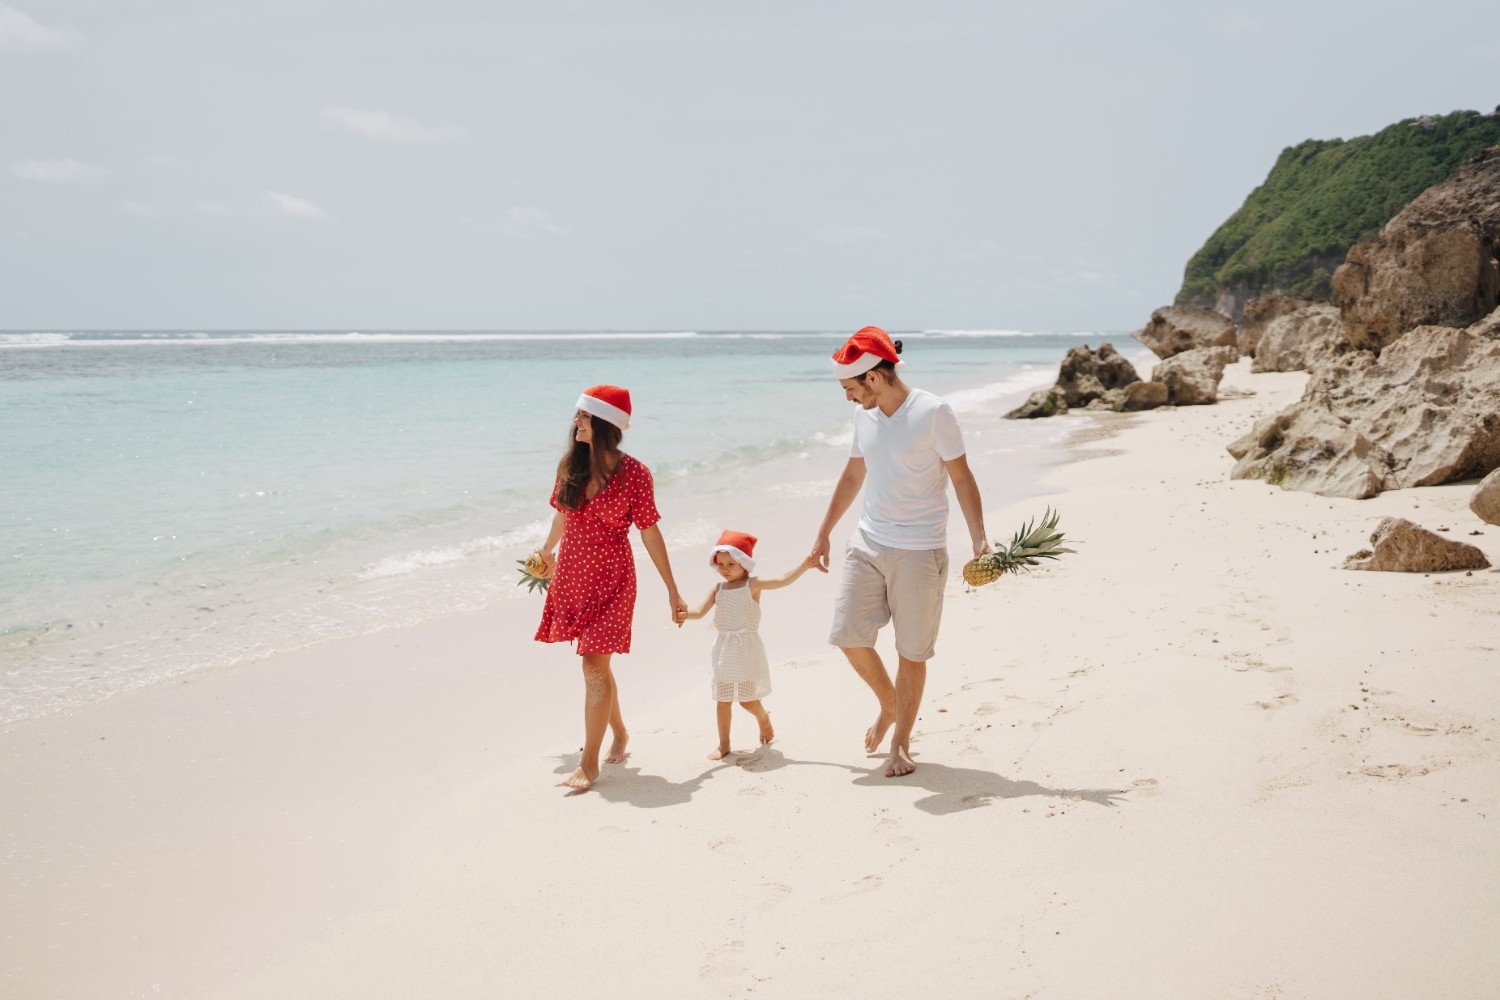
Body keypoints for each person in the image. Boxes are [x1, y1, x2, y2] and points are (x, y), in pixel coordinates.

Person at [809, 327, 990, 778]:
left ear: (873, 378)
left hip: (919, 549)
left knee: (911, 652)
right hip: (868, 541)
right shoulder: (864, 417)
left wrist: (979, 538)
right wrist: (824, 532)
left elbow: (962, 477)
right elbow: (853, 476)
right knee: (848, 636)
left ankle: (902, 744)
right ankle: (890, 705)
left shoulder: (933, 412)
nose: (848, 398)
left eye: (850, 388)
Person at [530, 384, 688, 791]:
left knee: (593, 666)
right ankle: (618, 732)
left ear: (603, 423)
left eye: (583, 416)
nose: (576, 422)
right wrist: (545, 553)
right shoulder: (570, 465)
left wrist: (672, 589)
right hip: (572, 576)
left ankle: (589, 762)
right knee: (598, 667)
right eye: (578, 416)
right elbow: (562, 517)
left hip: (614, 579)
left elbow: (651, 533)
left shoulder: (635, 473)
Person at [682, 530, 818, 760]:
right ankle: (724, 744)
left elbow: (783, 580)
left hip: (746, 649)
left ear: (744, 564)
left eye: (731, 564)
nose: (724, 568)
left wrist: (805, 565)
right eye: (720, 564)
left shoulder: (752, 585)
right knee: (722, 699)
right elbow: (698, 611)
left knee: (746, 700)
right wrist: (683, 614)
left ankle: (763, 718)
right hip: (724, 649)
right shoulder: (718, 589)